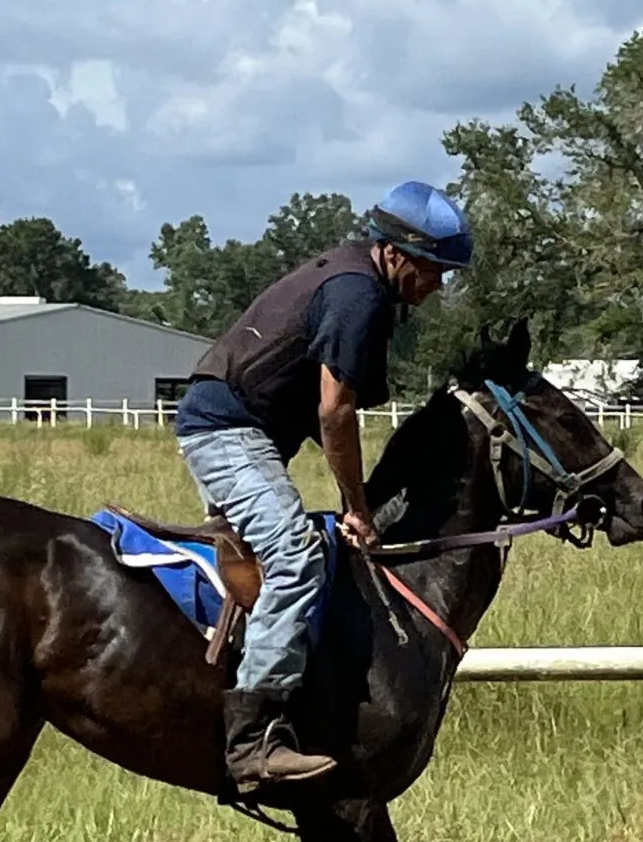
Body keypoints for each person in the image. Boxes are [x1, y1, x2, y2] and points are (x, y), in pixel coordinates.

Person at [176, 180, 473, 794]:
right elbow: (334, 413)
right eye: (433, 269)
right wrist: (357, 507)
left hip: (239, 427)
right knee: (294, 556)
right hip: (225, 431)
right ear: (395, 253)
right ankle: (252, 742)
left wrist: (357, 495)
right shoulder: (356, 295)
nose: (437, 285)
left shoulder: (355, 281)